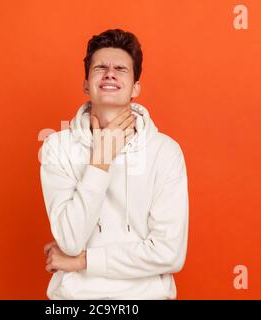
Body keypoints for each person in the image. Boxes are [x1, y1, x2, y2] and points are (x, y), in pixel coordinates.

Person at [39, 29, 189, 299]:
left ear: (135, 88)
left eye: (120, 68)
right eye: (100, 68)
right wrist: (101, 161)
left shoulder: (165, 152)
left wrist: (84, 261)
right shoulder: (57, 147)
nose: (110, 74)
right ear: (86, 84)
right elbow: (70, 241)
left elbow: (169, 253)